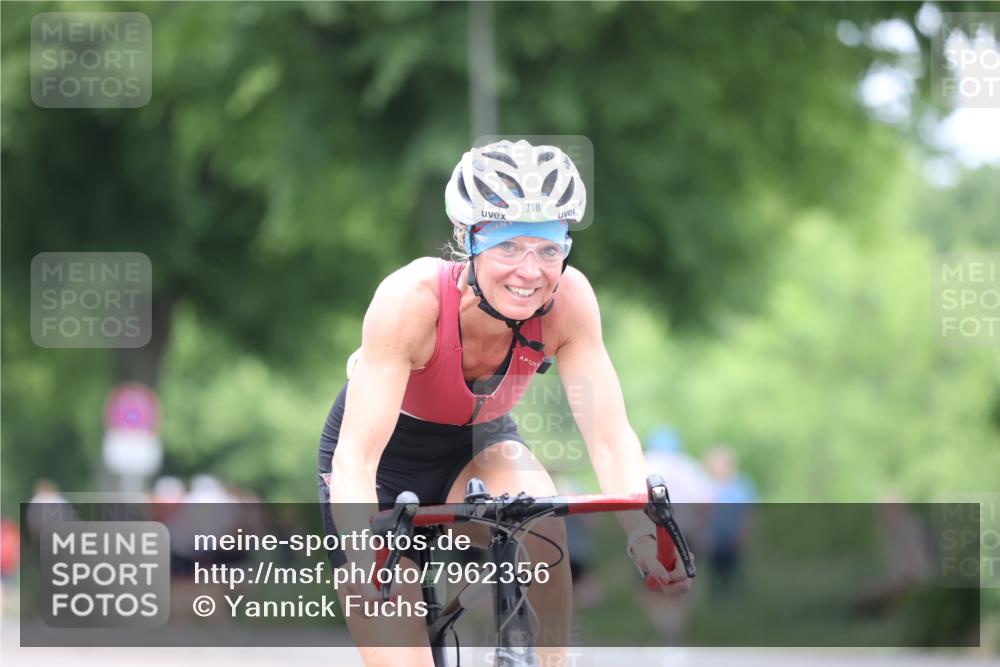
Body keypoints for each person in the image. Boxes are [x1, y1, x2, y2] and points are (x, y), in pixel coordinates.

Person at [318, 139, 691, 667]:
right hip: (378, 464)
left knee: (541, 516)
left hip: (480, 445)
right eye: (508, 246)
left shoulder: (570, 301)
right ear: (468, 241)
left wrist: (640, 534)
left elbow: (608, 436)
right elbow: (355, 460)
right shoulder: (410, 302)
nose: (530, 270)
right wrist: (364, 554)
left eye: (547, 247)